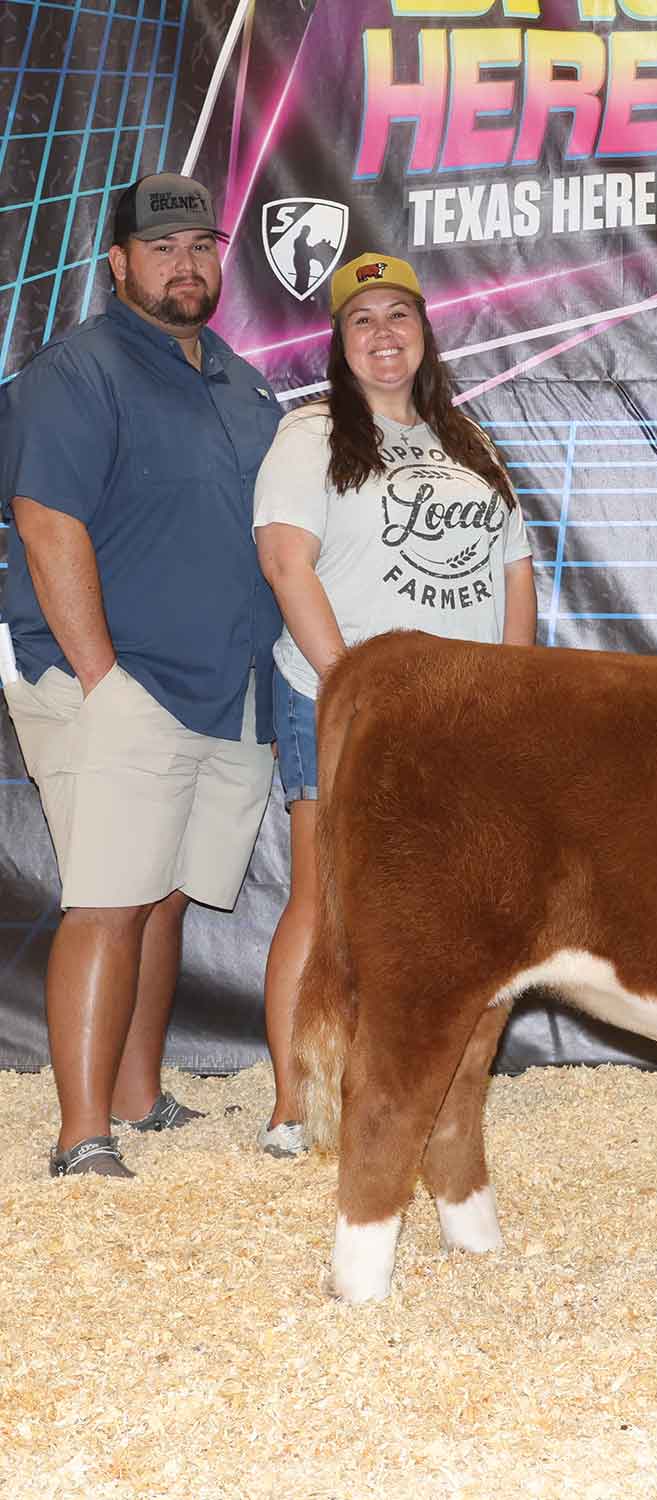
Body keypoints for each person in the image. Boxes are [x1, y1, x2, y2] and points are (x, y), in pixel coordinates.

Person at [0, 173, 284, 1177]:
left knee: (162, 900)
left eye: (202, 245)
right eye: (162, 247)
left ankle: (138, 1097)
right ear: (116, 261)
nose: (187, 263)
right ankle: (83, 1140)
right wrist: (100, 676)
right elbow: (47, 523)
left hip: (225, 687)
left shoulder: (243, 382)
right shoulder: (77, 371)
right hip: (118, 688)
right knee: (111, 905)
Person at [251, 252, 536, 1157]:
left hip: (460, 715)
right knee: (324, 893)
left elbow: (514, 573)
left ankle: (417, 1083)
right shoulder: (309, 434)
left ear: (425, 332)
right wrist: (345, 685)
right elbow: (286, 563)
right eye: (362, 319)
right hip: (344, 701)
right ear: (338, 343)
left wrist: (512, 693)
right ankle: (295, 1103)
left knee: (440, 903)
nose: (383, 334)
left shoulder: (468, 441)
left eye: (398, 316)